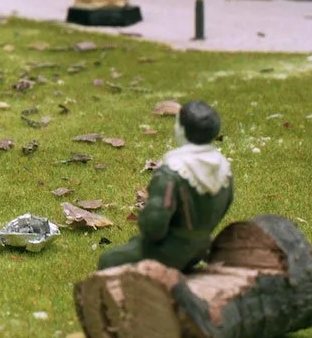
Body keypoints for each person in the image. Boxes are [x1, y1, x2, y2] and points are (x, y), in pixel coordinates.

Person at [98, 100, 234, 270]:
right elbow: (227, 202)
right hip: (202, 247)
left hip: (170, 251)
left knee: (110, 259)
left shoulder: (172, 172)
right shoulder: (223, 168)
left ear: (182, 130)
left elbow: (153, 227)